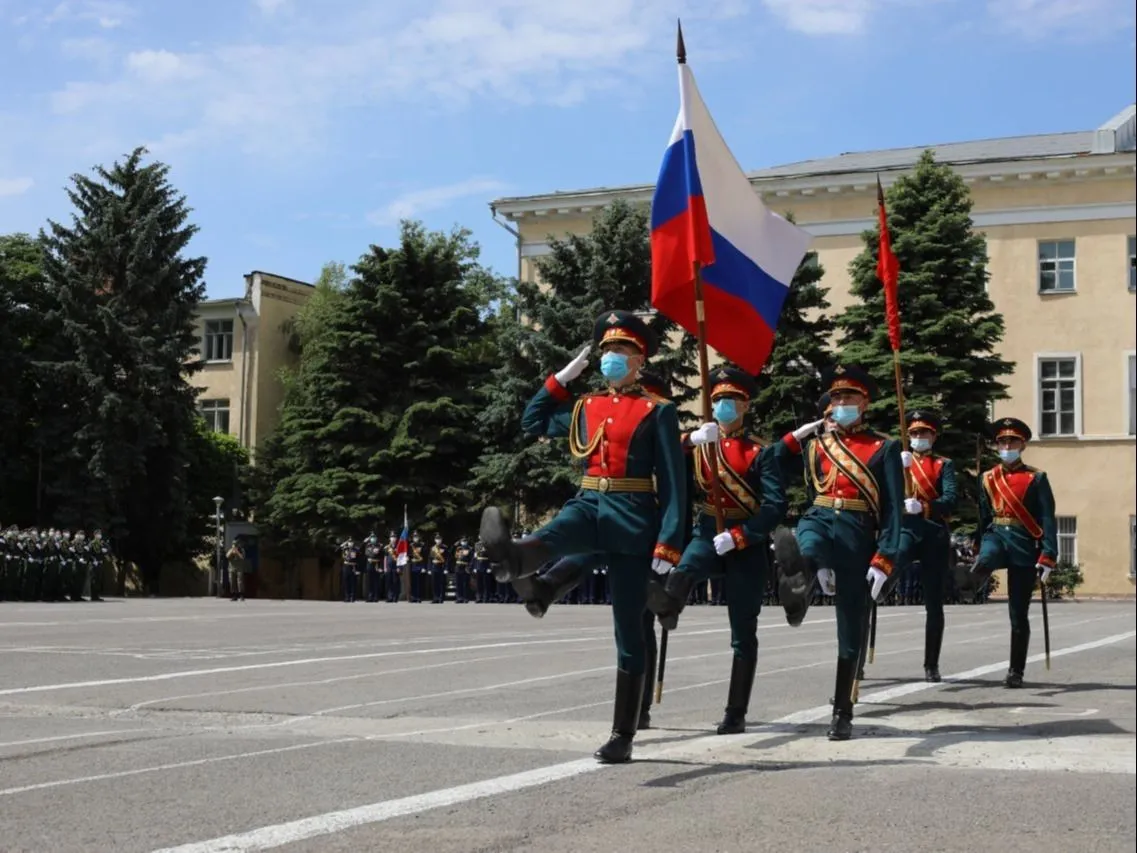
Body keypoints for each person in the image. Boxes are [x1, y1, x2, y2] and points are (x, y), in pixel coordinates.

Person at [480, 309, 686, 763]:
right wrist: (562, 377)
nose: (612, 357)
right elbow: (533, 421)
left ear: (640, 359)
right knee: (557, 531)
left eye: (622, 350)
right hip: (590, 500)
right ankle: (513, 558)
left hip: (633, 516)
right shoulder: (586, 406)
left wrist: (669, 543)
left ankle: (622, 734)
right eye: (607, 350)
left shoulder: (659, 412)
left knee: (629, 631)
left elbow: (674, 484)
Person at [646, 366, 801, 734]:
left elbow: (775, 505)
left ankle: (736, 711)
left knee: (743, 630)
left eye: (730, 400)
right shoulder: (699, 445)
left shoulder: (759, 452)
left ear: (745, 405)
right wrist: (690, 442)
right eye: (717, 400)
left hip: (744, 541)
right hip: (706, 531)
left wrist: (743, 535)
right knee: (684, 570)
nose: (723, 406)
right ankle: (669, 608)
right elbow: (660, 456)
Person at [777, 364, 905, 741]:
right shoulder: (817, 444)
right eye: (835, 397)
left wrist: (885, 558)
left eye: (848, 397)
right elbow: (771, 467)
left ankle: (841, 710)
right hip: (819, 514)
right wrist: (792, 438)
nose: (841, 403)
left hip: (857, 531)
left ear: (865, 402)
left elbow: (895, 509)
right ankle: (801, 583)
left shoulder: (884, 447)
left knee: (851, 627)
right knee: (808, 543)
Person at [965, 417, 1057, 688]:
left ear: (1022, 444)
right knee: (989, 555)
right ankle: (971, 580)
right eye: (1002, 441)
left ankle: (1016, 670)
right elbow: (984, 515)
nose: (1006, 445)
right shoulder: (987, 478)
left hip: (1024, 543)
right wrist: (978, 542)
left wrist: (1048, 554)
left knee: (1018, 613)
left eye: (1012, 441)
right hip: (996, 534)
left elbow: (1048, 518)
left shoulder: (1036, 478)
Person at [897, 409, 957, 681]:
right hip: (906, 530)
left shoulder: (944, 465)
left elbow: (951, 499)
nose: (919, 437)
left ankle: (931, 664)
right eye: (914, 433)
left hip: (933, 533)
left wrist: (924, 506)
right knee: (877, 578)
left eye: (924, 433)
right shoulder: (899, 462)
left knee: (934, 603)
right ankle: (858, 661)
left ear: (934, 436)